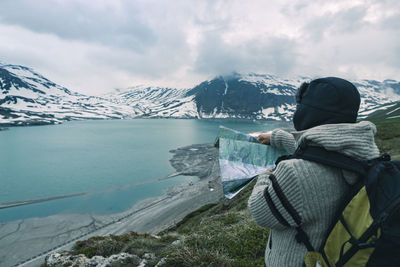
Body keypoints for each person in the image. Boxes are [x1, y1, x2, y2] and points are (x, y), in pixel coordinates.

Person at [248, 77, 380, 266]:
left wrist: (265, 175)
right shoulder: (365, 153)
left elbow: (260, 211)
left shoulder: (295, 173)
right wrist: (279, 138)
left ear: (307, 112)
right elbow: (326, 153)